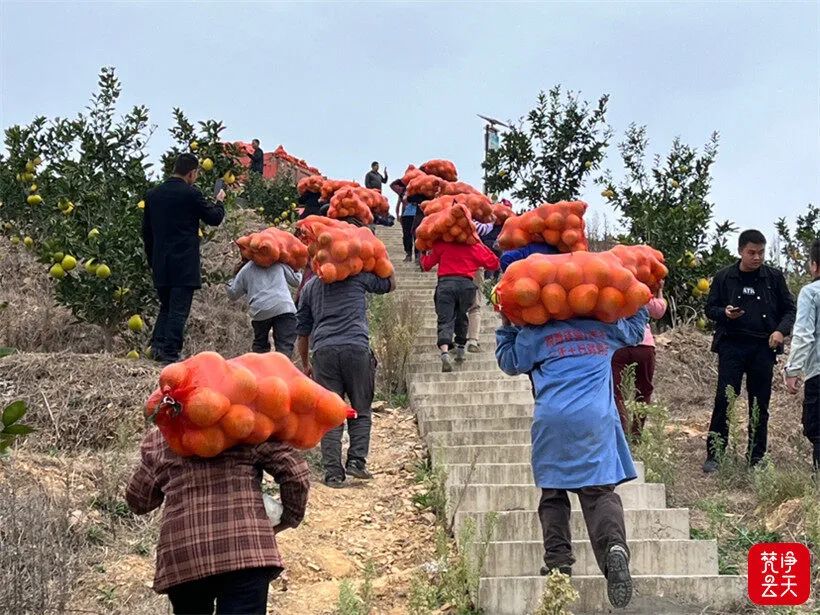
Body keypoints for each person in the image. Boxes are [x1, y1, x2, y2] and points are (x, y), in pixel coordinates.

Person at [495, 307, 649, 610]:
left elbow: (510, 362)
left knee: (553, 493)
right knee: (599, 493)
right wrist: (641, 301)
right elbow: (634, 331)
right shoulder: (603, 329)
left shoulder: (537, 334)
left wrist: (506, 326)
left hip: (552, 419)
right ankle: (614, 547)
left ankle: (558, 562)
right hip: (595, 419)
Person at [126, 427, 310, 615]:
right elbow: (295, 473)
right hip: (246, 550)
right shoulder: (247, 425)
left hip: (185, 556)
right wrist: (287, 519)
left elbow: (138, 501)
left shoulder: (163, 436)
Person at [703, 229, 796, 473]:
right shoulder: (724, 277)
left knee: (759, 403)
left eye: (761, 252)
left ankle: (756, 457)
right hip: (732, 345)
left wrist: (780, 331)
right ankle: (715, 453)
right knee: (725, 398)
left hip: (763, 347)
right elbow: (709, 308)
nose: (757, 257)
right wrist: (724, 312)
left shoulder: (774, 278)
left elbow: (789, 309)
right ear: (740, 251)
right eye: (751, 253)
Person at [296, 270, 397, 488]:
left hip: (324, 352)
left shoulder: (310, 287)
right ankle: (356, 462)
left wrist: (305, 364)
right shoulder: (357, 277)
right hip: (356, 348)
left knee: (330, 414)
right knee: (361, 407)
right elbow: (389, 284)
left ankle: (333, 473)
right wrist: (385, 263)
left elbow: (302, 331)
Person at [142, 153, 226, 364]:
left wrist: (152, 260)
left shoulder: (153, 195)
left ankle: (157, 347)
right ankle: (170, 354)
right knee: (178, 310)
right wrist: (219, 201)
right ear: (192, 173)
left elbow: (146, 232)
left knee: (166, 306)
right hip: (183, 264)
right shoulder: (191, 194)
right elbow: (214, 218)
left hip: (161, 262)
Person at [421, 240, 500, 372]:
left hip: (445, 284)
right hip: (466, 286)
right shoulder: (473, 246)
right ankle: (460, 348)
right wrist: (480, 243)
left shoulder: (442, 245)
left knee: (445, 319)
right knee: (462, 315)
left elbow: (426, 265)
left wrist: (424, 252)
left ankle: (445, 352)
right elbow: (494, 263)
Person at [612, 282, 668, 437]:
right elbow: (658, 311)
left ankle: (621, 434)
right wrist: (659, 291)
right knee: (643, 391)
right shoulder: (640, 292)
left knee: (616, 393)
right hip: (644, 346)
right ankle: (636, 434)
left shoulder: (613, 291)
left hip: (619, 346)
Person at [784, 238, 820, 472]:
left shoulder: (811, 292)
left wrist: (793, 369)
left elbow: (804, 334)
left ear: (814, 265)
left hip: (818, 373)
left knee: (816, 430)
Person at [227, 258, 303, 357]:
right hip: (284, 307)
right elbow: (297, 281)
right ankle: (283, 369)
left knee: (260, 347)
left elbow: (233, 294)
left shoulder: (246, 269)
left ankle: (261, 370)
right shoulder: (278, 263)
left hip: (260, 310)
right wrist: (295, 267)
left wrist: (230, 278)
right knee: (285, 347)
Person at [465, 221, 497, 353]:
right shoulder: (475, 243)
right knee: (475, 306)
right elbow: (493, 262)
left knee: (456, 309)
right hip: (474, 271)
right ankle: (472, 340)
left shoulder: (450, 240)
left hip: (452, 273)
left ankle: (456, 341)